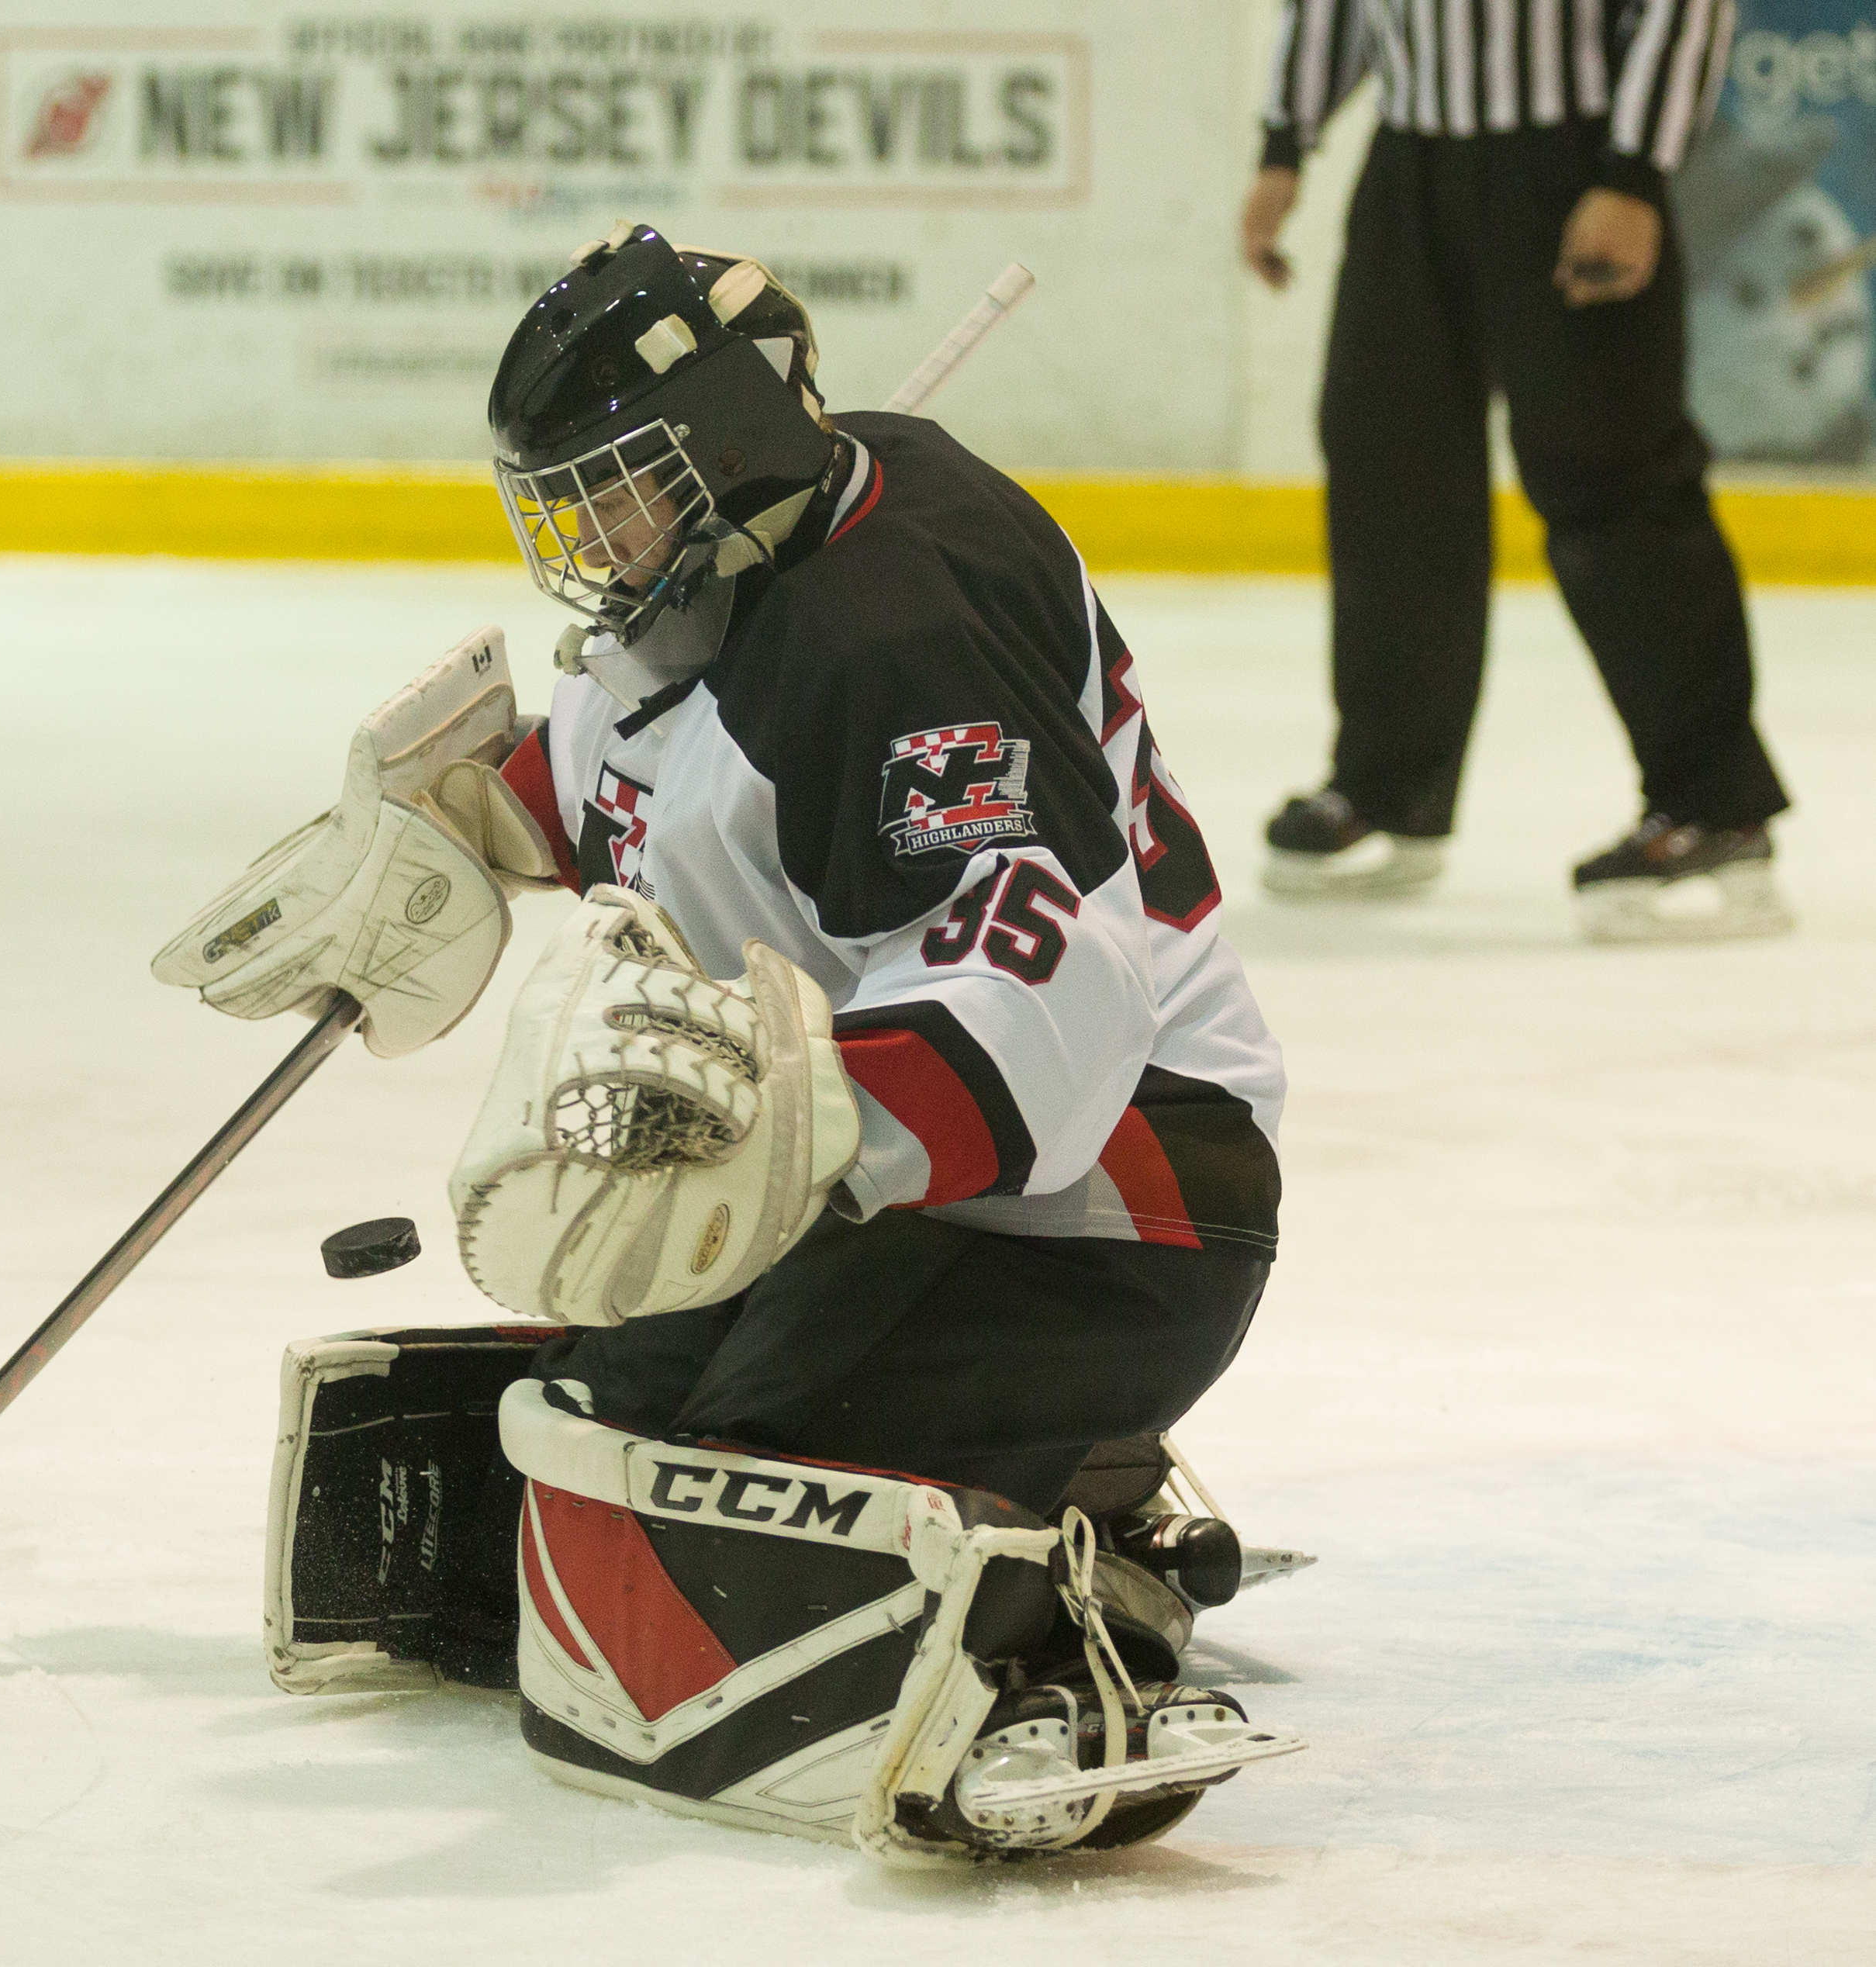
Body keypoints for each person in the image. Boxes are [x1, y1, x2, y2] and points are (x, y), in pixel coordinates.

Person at [154, 226, 1300, 1861]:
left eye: (614, 484)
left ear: (731, 447)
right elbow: (653, 762)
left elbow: (1055, 994)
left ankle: (1066, 1613)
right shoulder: (725, 570)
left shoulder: (903, 638)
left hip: (1115, 1195)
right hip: (925, 1188)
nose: (585, 532)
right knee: (608, 1421)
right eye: (565, 497)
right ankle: (1050, 1471)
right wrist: (469, 821)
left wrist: (807, 1114)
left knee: (708, 1487)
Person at [1246, 0, 1793, 939]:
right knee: (1390, 471)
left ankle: (1717, 804)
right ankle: (1388, 782)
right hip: (1410, 163)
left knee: (1612, 476)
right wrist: (1284, 144)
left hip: (1573, 161)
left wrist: (1633, 171)